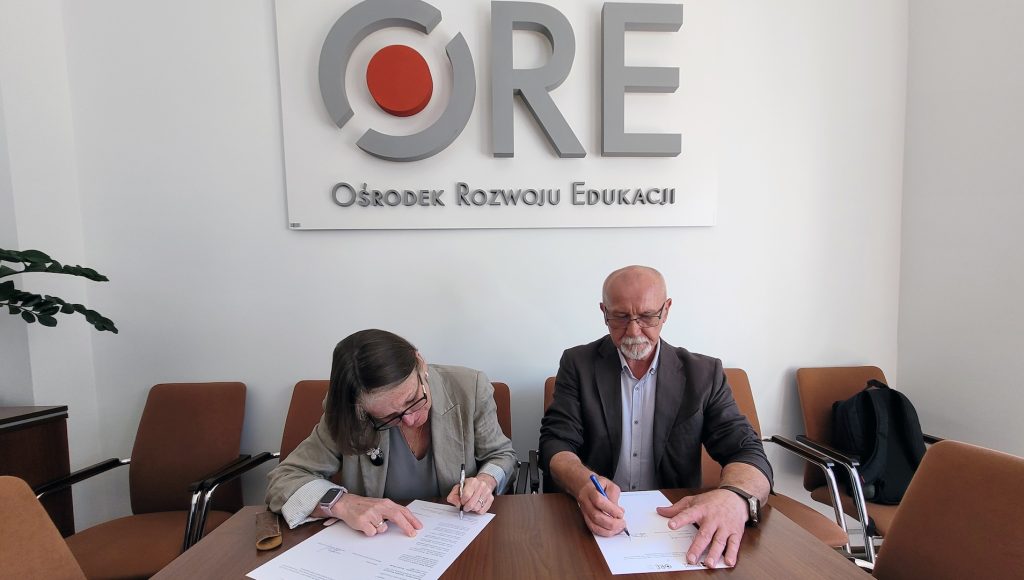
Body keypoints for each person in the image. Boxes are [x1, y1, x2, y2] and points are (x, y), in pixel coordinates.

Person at [539, 266, 772, 568]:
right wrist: (583, 484)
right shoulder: (578, 364)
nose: (633, 331)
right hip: (594, 522)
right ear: (604, 312)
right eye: (620, 317)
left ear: (666, 310)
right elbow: (556, 443)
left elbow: (746, 450)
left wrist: (735, 497)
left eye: (647, 316)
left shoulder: (703, 374)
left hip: (673, 525)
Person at [266, 329, 518, 536]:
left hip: (456, 538)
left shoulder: (469, 388)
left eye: (413, 400)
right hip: (380, 543)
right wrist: (340, 503)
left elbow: (501, 456)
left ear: (420, 363)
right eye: (388, 416)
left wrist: (486, 481)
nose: (409, 420)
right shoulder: (350, 411)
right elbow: (284, 479)